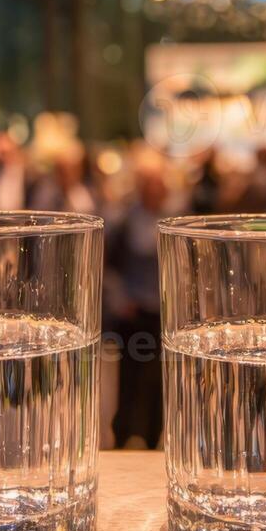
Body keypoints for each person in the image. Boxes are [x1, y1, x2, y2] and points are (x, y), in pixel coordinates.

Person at [105, 164, 174, 449]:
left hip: (160, 311)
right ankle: (124, 432)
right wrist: (121, 299)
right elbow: (109, 266)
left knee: (158, 378)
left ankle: (152, 431)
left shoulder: (169, 222)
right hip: (134, 312)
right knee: (130, 376)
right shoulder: (125, 222)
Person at [29, 147, 98, 215]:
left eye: (73, 169)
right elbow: (41, 214)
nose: (68, 174)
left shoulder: (89, 189)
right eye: (63, 170)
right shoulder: (47, 191)